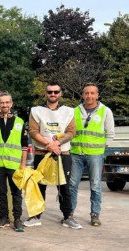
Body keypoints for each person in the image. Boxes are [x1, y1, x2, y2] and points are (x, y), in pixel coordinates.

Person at [24, 82, 82, 230]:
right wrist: (48, 144)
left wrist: (58, 143)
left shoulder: (68, 111)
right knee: (39, 186)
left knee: (64, 186)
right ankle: (36, 216)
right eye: (50, 92)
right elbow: (32, 130)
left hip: (62, 154)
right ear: (45, 94)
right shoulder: (36, 111)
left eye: (56, 92)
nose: (53, 94)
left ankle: (68, 216)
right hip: (42, 153)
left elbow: (71, 131)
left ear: (60, 93)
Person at [69, 83, 115, 227]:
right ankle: (69, 213)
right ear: (82, 95)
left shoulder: (105, 111)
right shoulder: (74, 111)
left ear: (97, 95)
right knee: (72, 185)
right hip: (76, 153)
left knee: (95, 185)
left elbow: (110, 133)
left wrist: (102, 148)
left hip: (95, 154)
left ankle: (95, 214)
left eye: (92, 93)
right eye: (86, 93)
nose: (89, 96)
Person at [0, 92, 27, 232]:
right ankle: (4, 217)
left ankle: (17, 219)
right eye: (1, 102)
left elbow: (24, 146)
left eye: (6, 102)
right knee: (1, 192)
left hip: (14, 165)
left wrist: (22, 165)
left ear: (11, 103)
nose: (4, 105)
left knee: (16, 193)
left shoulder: (19, 122)